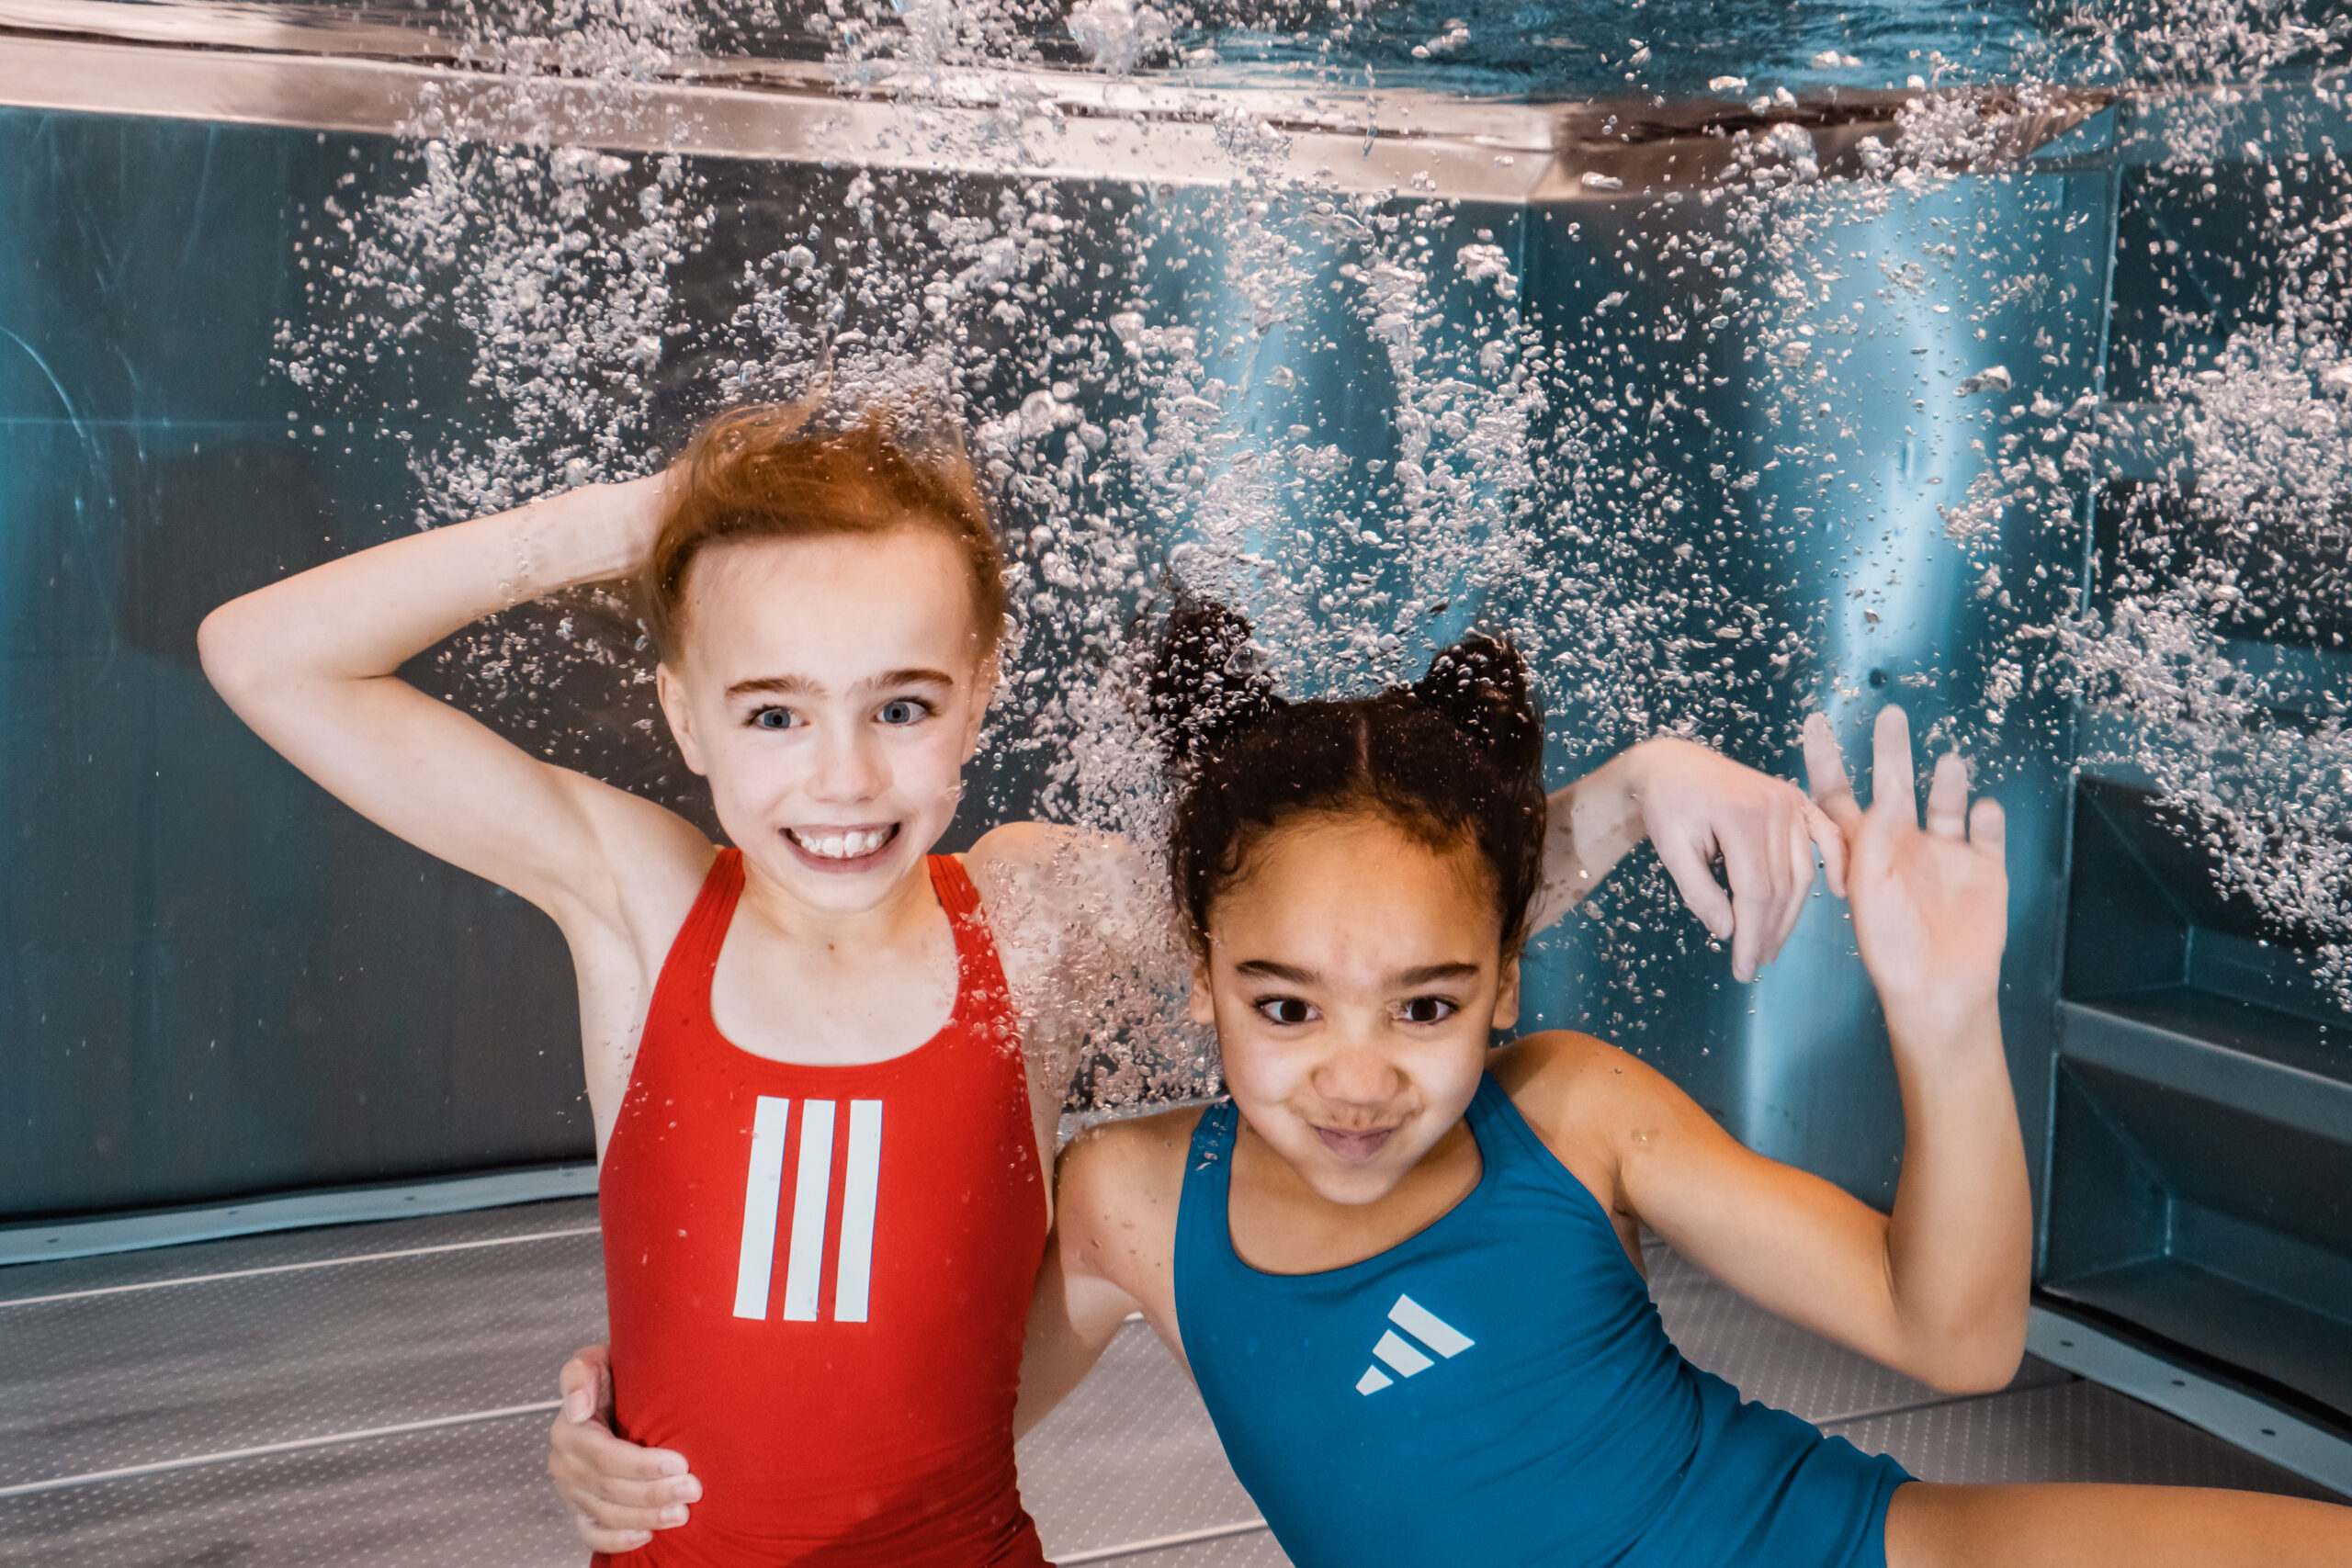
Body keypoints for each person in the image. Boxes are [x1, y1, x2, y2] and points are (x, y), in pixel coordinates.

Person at [200, 400, 1838, 1565]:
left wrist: (1641, 788)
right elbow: (263, 658)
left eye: (901, 705)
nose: (840, 777)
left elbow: (1352, 930)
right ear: (687, 716)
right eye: (771, 713)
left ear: (982, 695)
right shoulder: (640, 909)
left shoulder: (1035, 921)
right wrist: (636, 523)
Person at [1011, 607, 2350, 1568]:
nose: (1356, 1079)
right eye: (1286, 1006)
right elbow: (926, 1439)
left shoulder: (1571, 1112)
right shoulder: (1128, 1199)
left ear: (1507, 979)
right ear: (1201, 977)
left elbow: (1953, 1338)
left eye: (1426, 1006)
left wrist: (1942, 1021)